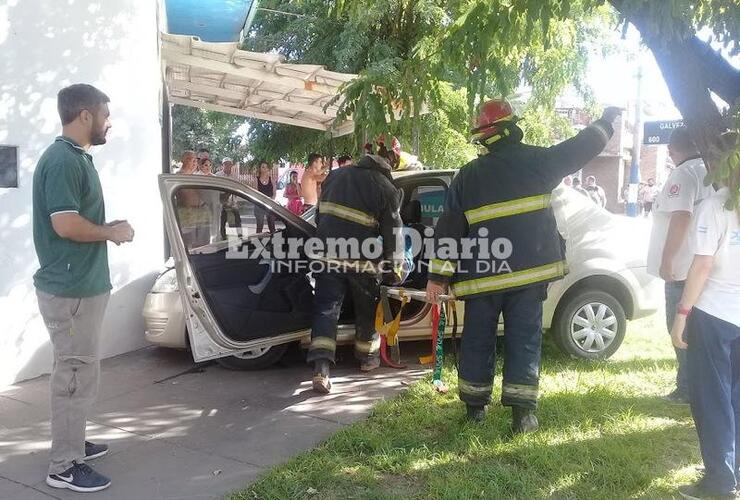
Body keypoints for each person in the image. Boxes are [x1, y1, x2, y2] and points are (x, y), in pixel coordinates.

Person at [426, 99, 620, 430]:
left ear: (483, 137)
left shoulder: (467, 177)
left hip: (483, 281)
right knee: (524, 340)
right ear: (513, 128)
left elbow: (449, 231)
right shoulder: (538, 163)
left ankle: (475, 410)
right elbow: (580, 148)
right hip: (529, 279)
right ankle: (523, 414)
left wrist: (437, 278)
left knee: (477, 340)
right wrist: (606, 121)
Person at [32, 84, 134, 492]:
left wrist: (109, 231)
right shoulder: (62, 160)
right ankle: (63, 465)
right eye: (104, 114)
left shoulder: (76, 158)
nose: (109, 121)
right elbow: (65, 224)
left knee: (79, 372)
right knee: (73, 376)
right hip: (70, 290)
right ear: (85, 116)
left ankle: (73, 443)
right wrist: (111, 232)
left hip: (80, 287)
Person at [670, 132, 740, 499]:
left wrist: (682, 313)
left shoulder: (716, 206)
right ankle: (731, 469)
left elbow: (702, 265)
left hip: (714, 315)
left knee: (712, 400)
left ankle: (719, 482)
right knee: (736, 399)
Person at [308, 152, 404, 394]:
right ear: (385, 169)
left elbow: (320, 215)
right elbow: (393, 233)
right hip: (362, 260)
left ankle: (321, 367)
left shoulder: (335, 176)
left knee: (326, 309)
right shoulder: (386, 188)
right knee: (366, 309)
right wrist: (395, 267)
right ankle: (367, 358)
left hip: (327, 255)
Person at [647, 127, 714, 404]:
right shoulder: (708, 170)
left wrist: (667, 260)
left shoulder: (683, 174)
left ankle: (687, 388)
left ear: (672, 150)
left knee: (678, 328)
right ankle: (699, 385)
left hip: (682, 267)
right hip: (701, 265)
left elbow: (681, 217)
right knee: (698, 330)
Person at [215, 158, 242, 239]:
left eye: (229, 164)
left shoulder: (234, 176)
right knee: (222, 222)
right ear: (222, 165)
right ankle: (224, 239)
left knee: (237, 221)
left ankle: (239, 238)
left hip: (232, 203)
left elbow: (237, 189)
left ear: (231, 165)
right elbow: (216, 190)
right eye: (225, 164)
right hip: (221, 202)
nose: (227, 166)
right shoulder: (218, 175)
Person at [255, 160, 276, 233]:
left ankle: (274, 243)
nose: (265, 169)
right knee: (259, 226)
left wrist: (271, 201)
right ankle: (257, 243)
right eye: (263, 167)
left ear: (268, 169)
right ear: (260, 169)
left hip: (270, 205)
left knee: (272, 227)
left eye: (266, 167)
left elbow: (274, 194)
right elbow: (255, 193)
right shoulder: (256, 180)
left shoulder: (271, 179)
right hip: (259, 205)